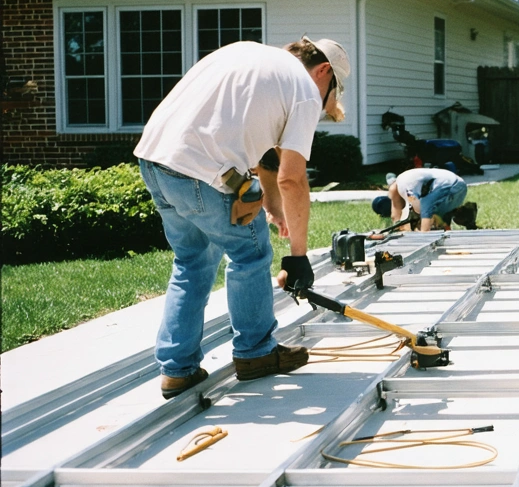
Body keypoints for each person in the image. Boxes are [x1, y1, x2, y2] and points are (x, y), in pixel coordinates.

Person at [134, 36, 350, 398]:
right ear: (324, 71)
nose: (325, 103)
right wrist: (298, 257)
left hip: (155, 161)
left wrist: (272, 205)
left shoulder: (245, 55)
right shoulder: (305, 90)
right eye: (331, 94)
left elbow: (263, 154)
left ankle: (177, 369)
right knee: (251, 254)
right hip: (199, 171)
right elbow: (293, 177)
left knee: (191, 261)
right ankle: (256, 353)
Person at [372, 168, 478, 232]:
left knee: (429, 216)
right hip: (458, 183)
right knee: (443, 213)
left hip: (441, 185)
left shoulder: (401, 187)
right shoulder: (407, 180)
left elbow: (397, 216)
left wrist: (421, 232)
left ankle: (447, 226)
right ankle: (465, 218)